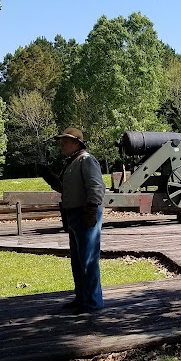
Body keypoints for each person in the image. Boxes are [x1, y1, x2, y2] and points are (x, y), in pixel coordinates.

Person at [42, 127, 106, 313]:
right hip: (74, 215)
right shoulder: (73, 163)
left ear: (76, 143)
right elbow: (68, 189)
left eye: (65, 141)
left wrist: (92, 209)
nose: (62, 145)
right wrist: (52, 180)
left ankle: (92, 302)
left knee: (88, 259)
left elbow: (96, 185)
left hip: (85, 213)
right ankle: (82, 298)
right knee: (77, 261)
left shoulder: (86, 160)